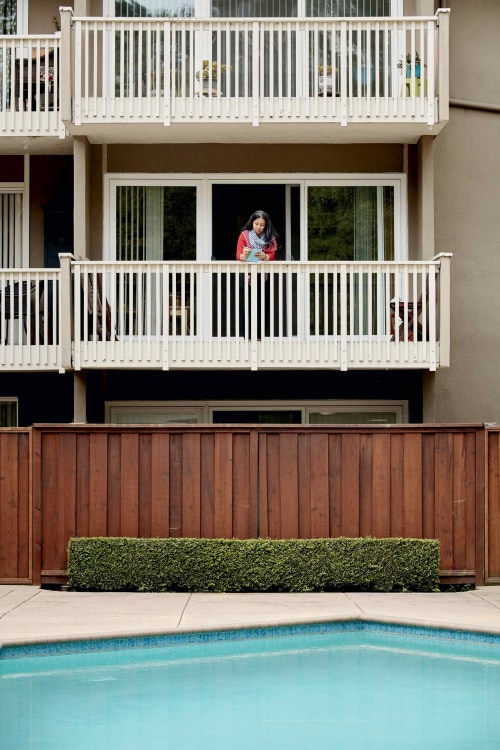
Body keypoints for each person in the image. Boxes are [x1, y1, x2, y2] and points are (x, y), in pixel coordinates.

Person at [236, 210, 279, 338]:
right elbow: (238, 255)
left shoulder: (270, 237)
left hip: (264, 276)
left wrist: (264, 256)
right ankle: (247, 336)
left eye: (262, 225)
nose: (259, 227)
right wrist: (248, 255)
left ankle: (260, 335)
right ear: (252, 222)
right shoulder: (244, 235)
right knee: (248, 304)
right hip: (248, 276)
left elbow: (272, 256)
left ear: (266, 225)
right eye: (256, 224)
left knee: (263, 305)